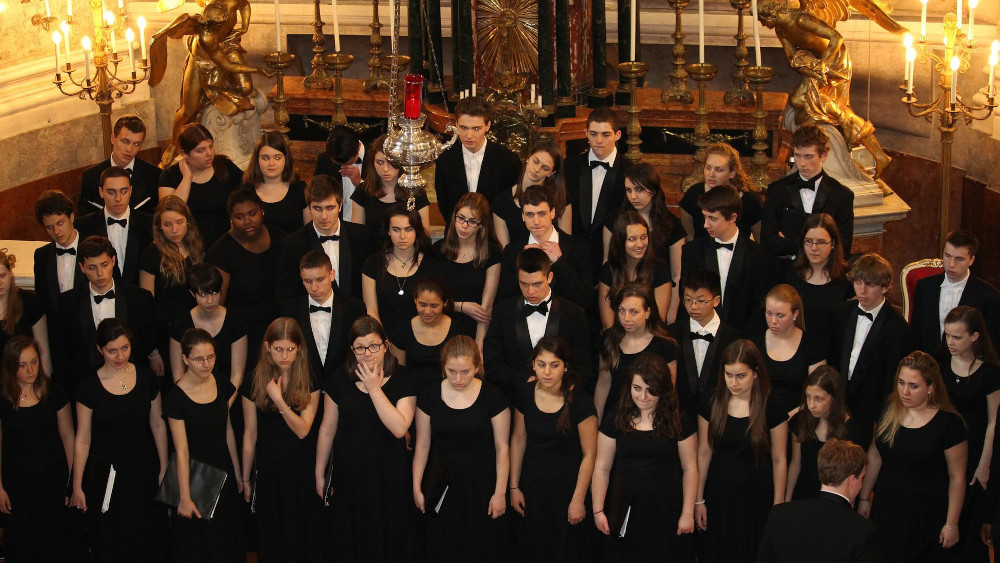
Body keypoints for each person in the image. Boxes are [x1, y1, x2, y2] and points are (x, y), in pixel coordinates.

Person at [314, 316, 417, 562]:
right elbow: (328, 429)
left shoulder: (405, 378)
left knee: (388, 538)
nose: (367, 354)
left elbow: (400, 428)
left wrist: (374, 389)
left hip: (389, 475)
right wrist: (320, 471)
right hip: (350, 475)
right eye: (360, 348)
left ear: (386, 345)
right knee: (352, 539)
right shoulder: (340, 379)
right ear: (352, 350)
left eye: (373, 346)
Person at [71, 318, 169, 562]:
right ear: (99, 350)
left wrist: (164, 466)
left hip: (143, 470)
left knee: (148, 536)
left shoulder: (146, 378)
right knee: (113, 538)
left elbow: (158, 424)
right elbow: (82, 438)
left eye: (124, 348)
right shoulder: (88, 386)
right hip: (107, 476)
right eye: (111, 350)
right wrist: (77, 483)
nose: (119, 356)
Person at [857, 351, 968, 563]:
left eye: (913, 386)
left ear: (931, 387)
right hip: (887, 508)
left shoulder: (949, 424)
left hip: (925, 514)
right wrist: (863, 497)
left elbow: (958, 478)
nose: (904, 391)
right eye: (900, 383)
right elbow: (875, 454)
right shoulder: (888, 408)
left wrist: (951, 523)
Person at [413, 336, 511, 562]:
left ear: (477, 366)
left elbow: (503, 448)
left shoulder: (494, 396)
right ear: (443, 366)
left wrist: (500, 492)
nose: (458, 379)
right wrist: (417, 485)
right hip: (441, 482)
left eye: (465, 372)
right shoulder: (429, 395)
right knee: (443, 545)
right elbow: (423, 445)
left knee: (481, 546)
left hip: (482, 485)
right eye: (451, 371)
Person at [592, 353, 697, 561]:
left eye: (651, 391)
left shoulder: (679, 421)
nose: (642, 397)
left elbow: (690, 469)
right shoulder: (616, 417)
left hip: (666, 509)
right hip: (624, 507)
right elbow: (602, 467)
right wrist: (597, 509)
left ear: (664, 390)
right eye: (637, 388)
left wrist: (687, 513)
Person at [696, 339, 789, 563]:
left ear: (755, 373)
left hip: (756, 497)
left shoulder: (771, 405)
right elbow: (704, 452)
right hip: (719, 496)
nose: (734, 383)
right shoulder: (712, 401)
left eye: (741, 376)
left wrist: (777, 506)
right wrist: (698, 499)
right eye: (729, 375)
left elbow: (779, 459)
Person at [509, 336, 598, 563]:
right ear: (533, 365)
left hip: (567, 489)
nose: (547, 372)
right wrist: (514, 485)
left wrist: (578, 499)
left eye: (554, 365)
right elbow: (519, 439)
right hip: (532, 487)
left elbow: (590, 455)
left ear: (565, 366)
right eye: (541, 364)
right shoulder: (526, 394)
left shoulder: (581, 400)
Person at [241, 318, 322, 563]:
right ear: (267, 347)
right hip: (270, 468)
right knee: (272, 532)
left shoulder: (310, 378)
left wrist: (279, 401)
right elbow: (250, 434)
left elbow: (303, 430)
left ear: (299, 349)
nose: (284, 356)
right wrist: (245, 478)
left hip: (301, 467)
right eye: (278, 349)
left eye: (290, 349)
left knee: (301, 532)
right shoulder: (254, 379)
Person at [162, 328, 243, 563]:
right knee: (198, 547)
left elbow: (227, 428)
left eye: (211, 357)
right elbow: (182, 450)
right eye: (198, 358)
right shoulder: (175, 398)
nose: (206, 363)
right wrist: (185, 497)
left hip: (222, 470)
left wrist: (237, 471)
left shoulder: (220, 381)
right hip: (193, 476)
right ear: (185, 359)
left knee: (226, 542)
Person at [0, 336, 75, 562]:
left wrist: (73, 482)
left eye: (34, 362)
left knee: (53, 541)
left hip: (52, 480)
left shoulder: (55, 392)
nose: (31, 369)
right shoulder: (2, 398)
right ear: (11, 366)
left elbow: (68, 438)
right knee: (21, 542)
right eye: (22, 365)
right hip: (17, 484)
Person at [829, 253, 915, 448]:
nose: (861, 290)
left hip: (871, 418)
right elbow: (834, 360)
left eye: (870, 284)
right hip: (839, 410)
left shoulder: (898, 330)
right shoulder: (842, 313)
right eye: (858, 282)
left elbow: (891, 383)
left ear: (885, 287)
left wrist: (879, 421)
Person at [484, 248, 593, 403]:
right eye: (524, 284)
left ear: (550, 277)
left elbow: (584, 368)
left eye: (537, 284)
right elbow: (492, 363)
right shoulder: (503, 312)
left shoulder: (573, 313)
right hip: (515, 400)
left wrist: (560, 390)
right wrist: (524, 381)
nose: (531, 291)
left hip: (562, 402)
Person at [56, 236, 157, 395]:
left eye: (104, 264)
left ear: (113, 261)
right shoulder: (67, 303)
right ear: (82, 268)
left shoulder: (139, 299)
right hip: (86, 387)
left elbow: (145, 342)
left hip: (131, 383)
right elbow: (64, 352)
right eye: (92, 267)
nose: (100, 273)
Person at [757, 439, 884, 563]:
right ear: (851, 480)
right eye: (862, 478)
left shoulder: (779, 515)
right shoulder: (863, 532)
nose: (861, 485)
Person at [939, 306, 1000, 562]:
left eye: (957, 337)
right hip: (943, 450)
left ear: (974, 336)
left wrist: (985, 463)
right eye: (948, 336)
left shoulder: (990, 373)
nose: (950, 342)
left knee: (969, 520)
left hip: (975, 451)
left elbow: (994, 421)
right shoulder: (940, 363)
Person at [603, 164, 685, 323]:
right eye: (628, 190)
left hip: (658, 295)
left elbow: (677, 273)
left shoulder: (672, 225)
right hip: (620, 296)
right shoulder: (613, 219)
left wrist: (672, 310)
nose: (633, 196)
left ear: (654, 190)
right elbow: (608, 260)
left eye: (639, 190)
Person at [680, 185, 769, 331]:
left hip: (743, 335)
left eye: (712, 218)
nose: (705, 224)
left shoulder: (757, 255)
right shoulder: (692, 251)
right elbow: (686, 298)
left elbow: (759, 304)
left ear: (733, 217)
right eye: (704, 217)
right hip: (701, 332)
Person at [761, 124, 856, 259]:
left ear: (824, 155)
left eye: (809, 156)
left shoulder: (841, 195)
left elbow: (843, 248)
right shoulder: (777, 190)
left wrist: (788, 243)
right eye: (798, 156)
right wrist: (819, 246)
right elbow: (768, 242)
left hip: (825, 273)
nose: (802, 163)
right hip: (786, 272)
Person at [276, 174, 374, 303]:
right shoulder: (292, 244)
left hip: (356, 317)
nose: (324, 216)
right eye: (317, 208)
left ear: (340, 206)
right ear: (309, 207)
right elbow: (287, 295)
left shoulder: (363, 237)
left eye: (330, 208)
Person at [208, 189, 283, 354]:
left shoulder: (279, 237)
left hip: (278, 325)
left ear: (262, 210)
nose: (247, 221)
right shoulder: (221, 251)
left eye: (252, 213)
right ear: (231, 219)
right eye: (239, 217)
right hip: (242, 331)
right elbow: (218, 302)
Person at [497, 185, 594, 310]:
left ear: (552, 212)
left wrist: (559, 263)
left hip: (566, 324)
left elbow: (584, 300)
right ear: (523, 216)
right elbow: (504, 301)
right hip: (523, 324)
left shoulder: (579, 248)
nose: (536, 221)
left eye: (542, 214)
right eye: (530, 214)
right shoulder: (512, 251)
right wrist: (524, 262)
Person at [280, 250, 366, 385]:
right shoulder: (290, 309)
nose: (314, 287)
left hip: (345, 386)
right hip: (304, 388)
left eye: (320, 279)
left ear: (332, 275)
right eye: (308, 281)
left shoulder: (354, 308)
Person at [565, 106, 630, 280]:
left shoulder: (630, 171)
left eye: (606, 134)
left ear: (617, 135)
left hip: (616, 259)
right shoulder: (569, 167)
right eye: (593, 134)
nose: (599, 140)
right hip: (575, 261)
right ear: (585, 133)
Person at [361, 204, 442, 342]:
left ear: (417, 231)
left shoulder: (432, 266)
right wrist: (384, 343)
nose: (402, 236)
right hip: (384, 339)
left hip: (423, 339)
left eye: (408, 229)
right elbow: (371, 311)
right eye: (396, 230)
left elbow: (436, 310)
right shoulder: (372, 265)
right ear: (388, 231)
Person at [596, 282, 678, 419]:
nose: (626, 318)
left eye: (634, 312)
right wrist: (597, 421)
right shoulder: (609, 339)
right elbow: (603, 383)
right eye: (621, 310)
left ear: (648, 312)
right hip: (615, 416)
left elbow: (669, 391)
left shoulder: (665, 346)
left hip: (651, 418)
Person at [433, 96, 522, 222]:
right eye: (463, 128)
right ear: (456, 124)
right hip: (456, 234)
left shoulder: (508, 160)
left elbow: (510, 204)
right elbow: (444, 203)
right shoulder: (445, 160)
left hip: (494, 235)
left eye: (476, 128)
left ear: (488, 126)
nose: (469, 135)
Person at [912, 229, 1000, 354]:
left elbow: (991, 345)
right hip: (928, 366)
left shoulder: (989, 297)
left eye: (959, 259)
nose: (951, 264)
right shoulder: (925, 286)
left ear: (971, 260)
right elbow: (916, 332)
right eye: (947, 256)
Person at [140, 196, 204, 363]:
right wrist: (153, 351)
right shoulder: (152, 254)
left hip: (197, 325)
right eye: (168, 224)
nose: (175, 230)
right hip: (167, 332)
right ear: (159, 227)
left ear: (187, 221)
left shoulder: (195, 246)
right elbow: (146, 305)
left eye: (179, 222)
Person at [670, 269, 743, 412]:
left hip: (721, 413)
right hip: (680, 414)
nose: (693, 306)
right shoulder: (671, 334)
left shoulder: (734, 338)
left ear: (716, 300)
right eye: (688, 300)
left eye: (701, 301)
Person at [158, 123, 244, 246]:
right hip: (188, 243)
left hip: (226, 240)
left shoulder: (224, 165)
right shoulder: (170, 175)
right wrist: (187, 178)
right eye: (201, 150)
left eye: (211, 146)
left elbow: (248, 191)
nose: (209, 153)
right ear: (185, 154)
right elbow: (170, 211)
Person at [434, 192, 502, 345]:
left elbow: (486, 308)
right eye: (461, 218)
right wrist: (462, 306)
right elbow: (432, 300)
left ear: (482, 225)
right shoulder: (439, 250)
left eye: (472, 221)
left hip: (477, 329)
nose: (464, 226)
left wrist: (479, 346)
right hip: (441, 325)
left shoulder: (492, 253)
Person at [168, 263, 247, 389]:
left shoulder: (235, 321)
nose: (210, 301)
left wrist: (224, 405)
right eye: (203, 295)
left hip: (227, 394)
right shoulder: (181, 323)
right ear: (192, 294)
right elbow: (178, 374)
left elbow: (237, 375)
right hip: (191, 393)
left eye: (215, 293)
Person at [751, 284, 826, 417]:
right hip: (761, 416)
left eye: (780, 315)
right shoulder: (754, 344)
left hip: (798, 418)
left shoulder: (812, 345)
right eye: (769, 313)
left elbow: (819, 392)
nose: (773, 321)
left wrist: (792, 416)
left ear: (795, 314)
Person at [780, 213, 853, 344]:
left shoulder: (847, 277)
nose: (814, 248)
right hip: (796, 348)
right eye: (808, 241)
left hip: (833, 350)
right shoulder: (788, 274)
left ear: (833, 243)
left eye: (821, 242)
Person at [785, 366, 856, 500]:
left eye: (819, 399)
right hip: (803, 494)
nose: (811, 405)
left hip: (831, 499)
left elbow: (851, 479)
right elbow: (795, 464)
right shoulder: (801, 420)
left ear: (834, 398)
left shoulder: (849, 430)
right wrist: (787, 499)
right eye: (808, 397)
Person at [76, 166, 155, 285]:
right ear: (101, 192)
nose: (118, 198)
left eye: (123, 191)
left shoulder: (150, 223)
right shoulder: (82, 226)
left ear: (131, 191)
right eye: (111, 192)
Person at [598, 211, 672, 329]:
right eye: (632, 239)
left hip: (650, 337)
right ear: (620, 241)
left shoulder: (660, 269)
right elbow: (608, 324)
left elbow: (659, 320)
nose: (640, 244)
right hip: (616, 339)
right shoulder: (609, 269)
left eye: (643, 237)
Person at [679, 142, 764, 242]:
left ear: (732, 173)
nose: (711, 174)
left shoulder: (751, 201)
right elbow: (688, 237)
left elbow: (761, 242)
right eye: (708, 167)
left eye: (719, 170)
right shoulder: (693, 194)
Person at [493, 142, 572, 247]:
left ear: (552, 173)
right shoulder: (501, 202)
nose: (537, 169)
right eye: (535, 161)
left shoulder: (561, 198)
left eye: (545, 168)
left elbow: (565, 244)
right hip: (516, 261)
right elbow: (505, 250)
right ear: (528, 157)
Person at [351, 134, 431, 235]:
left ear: (402, 162)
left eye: (391, 163)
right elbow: (357, 235)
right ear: (373, 163)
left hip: (406, 250)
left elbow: (425, 236)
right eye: (380, 162)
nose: (385, 169)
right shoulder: (363, 191)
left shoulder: (415, 192)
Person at [394, 277, 466, 391]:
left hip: (449, 391)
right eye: (422, 304)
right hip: (412, 392)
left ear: (445, 302)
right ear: (415, 300)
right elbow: (400, 373)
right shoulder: (403, 329)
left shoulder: (458, 330)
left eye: (434, 305)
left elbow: (463, 369)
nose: (427, 311)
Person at [80, 114, 160, 214]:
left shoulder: (154, 175)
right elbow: (84, 221)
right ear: (113, 138)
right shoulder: (91, 177)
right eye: (125, 141)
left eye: (136, 144)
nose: (129, 149)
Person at [0, 249, 53, 376]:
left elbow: (43, 350)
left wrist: (44, 387)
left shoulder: (30, 303)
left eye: (2, 276)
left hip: (26, 380)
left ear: (10, 273)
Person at [33, 190, 87, 314]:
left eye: (60, 223)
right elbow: (42, 300)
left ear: (72, 217)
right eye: (49, 227)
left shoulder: (95, 248)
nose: (56, 232)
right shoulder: (42, 256)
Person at [244, 131, 308, 234]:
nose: (271, 163)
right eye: (265, 158)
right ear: (257, 160)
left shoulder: (300, 190)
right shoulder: (246, 192)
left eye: (277, 157)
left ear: (286, 159)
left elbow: (310, 232)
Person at [313, 125, 364, 221]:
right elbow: (316, 194)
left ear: (358, 148)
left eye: (349, 162)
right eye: (339, 164)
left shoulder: (375, 158)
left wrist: (360, 183)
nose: (344, 166)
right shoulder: (324, 159)